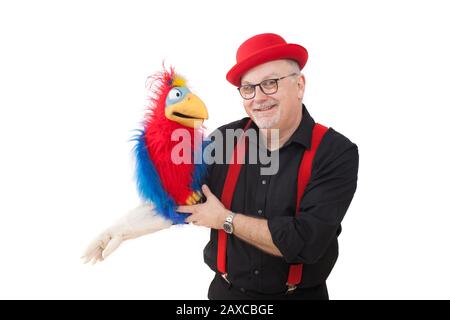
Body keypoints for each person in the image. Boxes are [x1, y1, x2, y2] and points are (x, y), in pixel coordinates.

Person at [177, 33, 359, 300]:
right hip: (227, 296)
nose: (258, 98)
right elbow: (177, 198)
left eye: (270, 83)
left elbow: (304, 242)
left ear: (299, 85)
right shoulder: (222, 141)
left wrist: (225, 219)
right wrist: (119, 231)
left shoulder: (335, 152)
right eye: (248, 88)